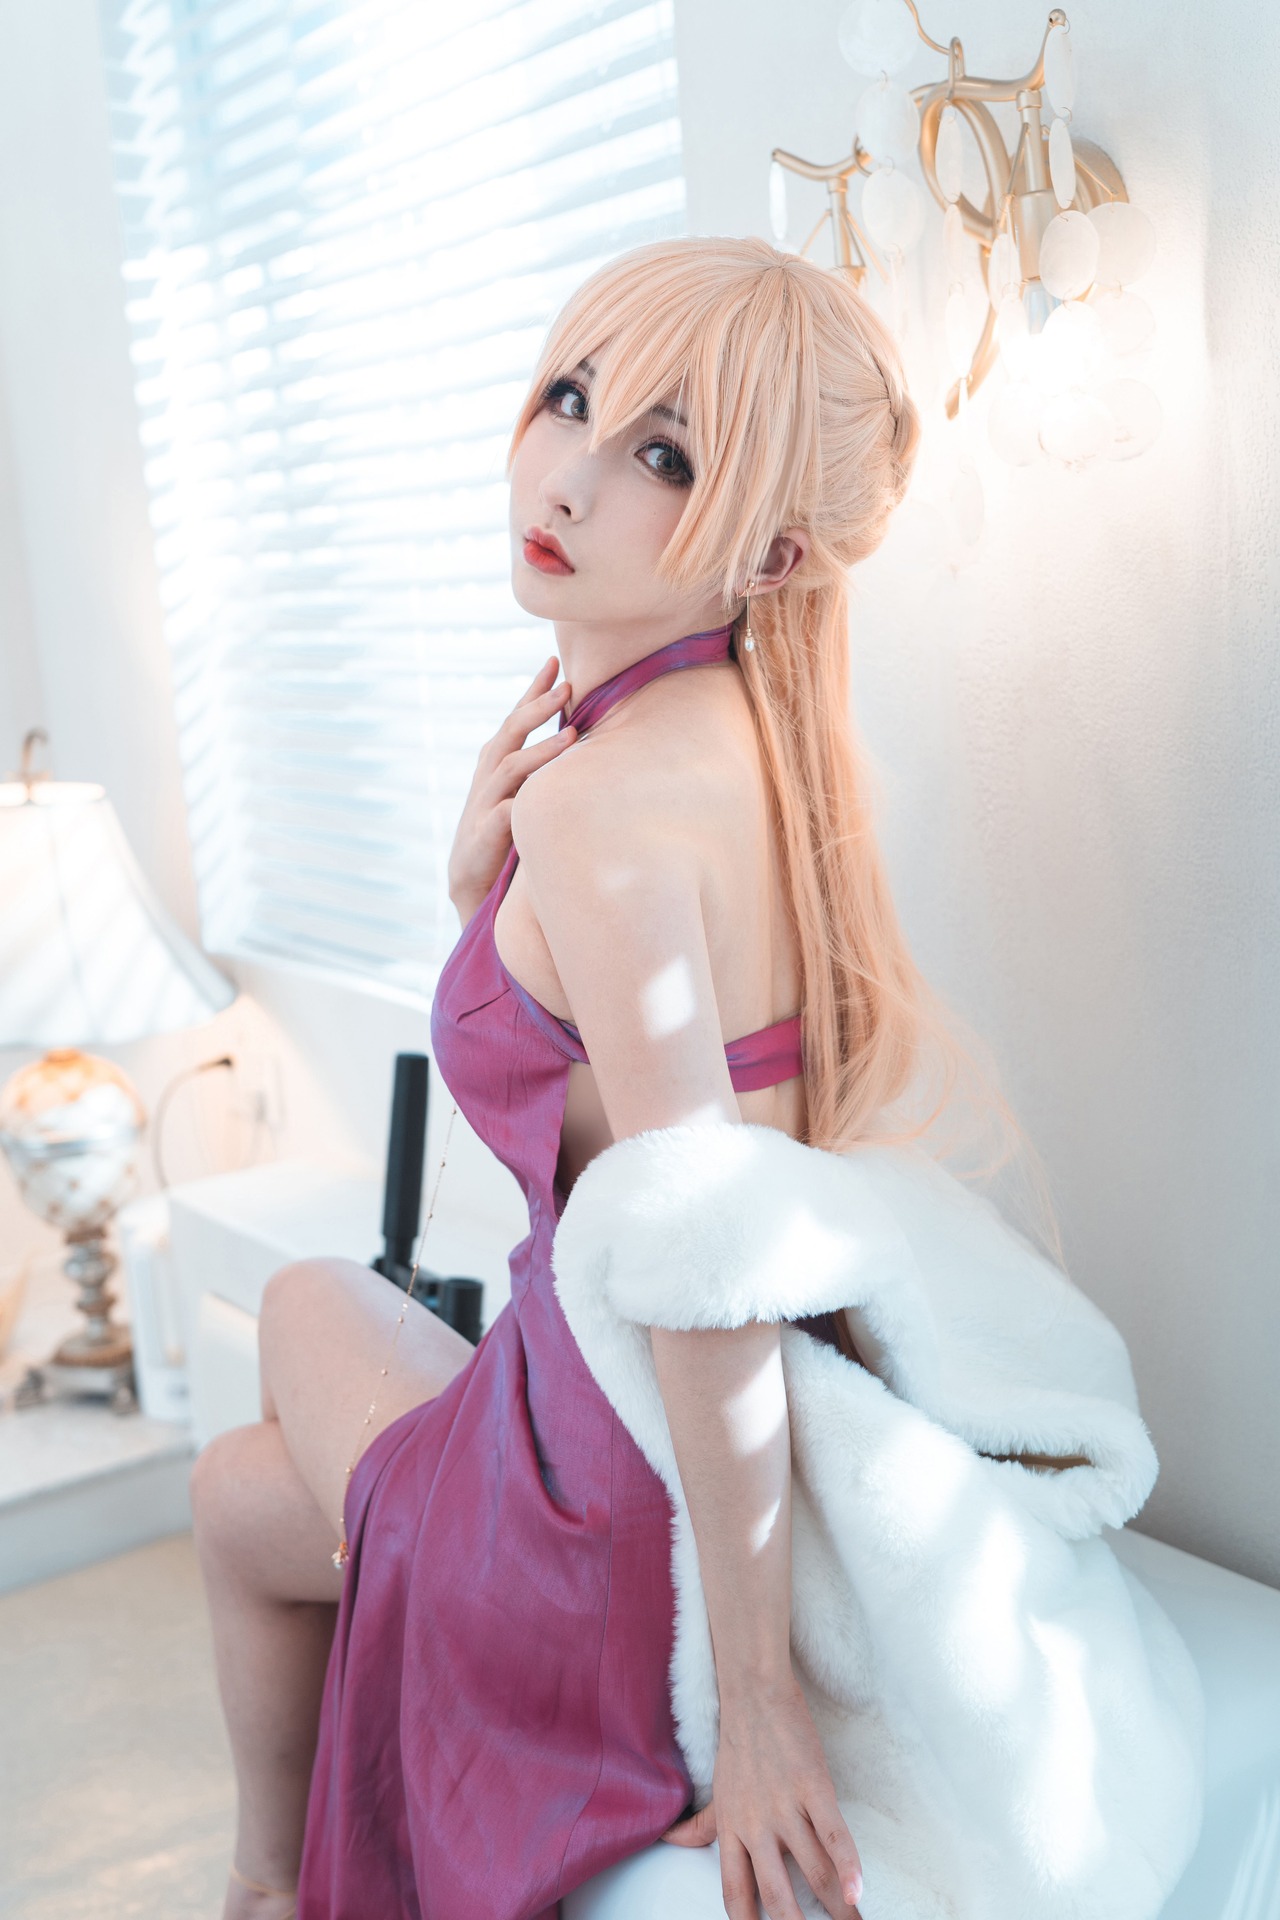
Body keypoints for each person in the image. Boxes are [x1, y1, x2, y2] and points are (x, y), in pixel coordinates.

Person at [191, 234, 1054, 1920]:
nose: (567, 478)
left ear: (774, 550)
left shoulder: (600, 810)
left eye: (663, 455)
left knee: (294, 1320)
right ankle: (262, 1886)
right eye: (571, 398)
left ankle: (264, 1887)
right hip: (596, 1396)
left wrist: (757, 1705)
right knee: (236, 1494)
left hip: (602, 1495)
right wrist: (478, 898)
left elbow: (704, 1275)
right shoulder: (754, 745)